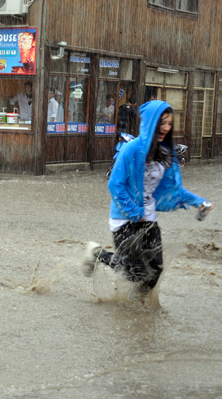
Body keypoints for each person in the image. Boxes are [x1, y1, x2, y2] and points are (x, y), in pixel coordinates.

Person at [82, 101, 214, 297]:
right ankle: (96, 252)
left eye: (169, 123)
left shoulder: (165, 152)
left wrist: (199, 202)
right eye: (162, 122)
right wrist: (135, 213)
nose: (166, 128)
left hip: (149, 218)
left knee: (155, 271)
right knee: (133, 272)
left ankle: (138, 310)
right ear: (151, 122)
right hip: (125, 218)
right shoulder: (131, 150)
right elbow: (115, 184)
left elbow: (173, 189)